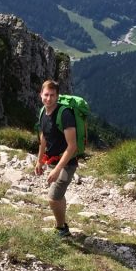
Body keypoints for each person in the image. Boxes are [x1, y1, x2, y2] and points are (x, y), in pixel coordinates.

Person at [34, 79, 78, 238]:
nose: (49, 98)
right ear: (41, 95)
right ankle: (63, 225)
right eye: (46, 94)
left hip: (67, 163)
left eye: (53, 95)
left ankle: (61, 229)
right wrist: (39, 160)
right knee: (58, 195)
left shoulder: (65, 114)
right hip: (53, 162)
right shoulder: (42, 112)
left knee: (53, 198)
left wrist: (57, 170)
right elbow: (43, 136)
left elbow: (72, 147)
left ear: (57, 96)